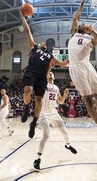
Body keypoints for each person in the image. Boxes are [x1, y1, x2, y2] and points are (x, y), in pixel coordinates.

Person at [67, 0, 97, 142]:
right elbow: (76, 18)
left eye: (86, 25)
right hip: (76, 67)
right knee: (87, 99)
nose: (84, 24)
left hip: (87, 65)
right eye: (84, 24)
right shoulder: (74, 33)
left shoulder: (90, 38)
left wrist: (92, 31)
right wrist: (81, 4)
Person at [20, 9, 69, 138]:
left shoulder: (50, 56)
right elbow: (27, 30)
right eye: (41, 42)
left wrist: (70, 61)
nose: (42, 42)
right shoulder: (34, 47)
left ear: (46, 47)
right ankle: (26, 109)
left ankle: (33, 123)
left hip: (42, 76)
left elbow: (62, 64)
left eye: (44, 43)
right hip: (31, 71)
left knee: (39, 100)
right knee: (28, 91)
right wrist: (22, 16)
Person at [33, 72, 77, 171]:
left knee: (64, 132)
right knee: (47, 135)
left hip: (54, 112)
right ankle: (37, 159)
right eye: (48, 73)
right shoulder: (43, 84)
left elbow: (60, 101)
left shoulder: (56, 88)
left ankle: (68, 145)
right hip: (44, 112)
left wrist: (65, 95)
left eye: (52, 73)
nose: (50, 74)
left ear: (54, 77)